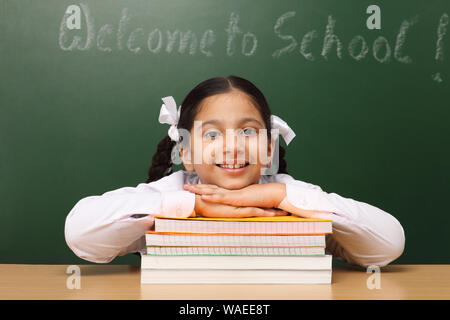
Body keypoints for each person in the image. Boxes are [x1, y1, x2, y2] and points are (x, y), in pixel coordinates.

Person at [64, 75, 405, 267]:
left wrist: (278, 195)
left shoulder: (289, 196)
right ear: (186, 153)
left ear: (269, 148)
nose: (233, 147)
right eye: (212, 134)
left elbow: (389, 243)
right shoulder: (170, 193)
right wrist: (195, 206)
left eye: (248, 132)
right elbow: (80, 235)